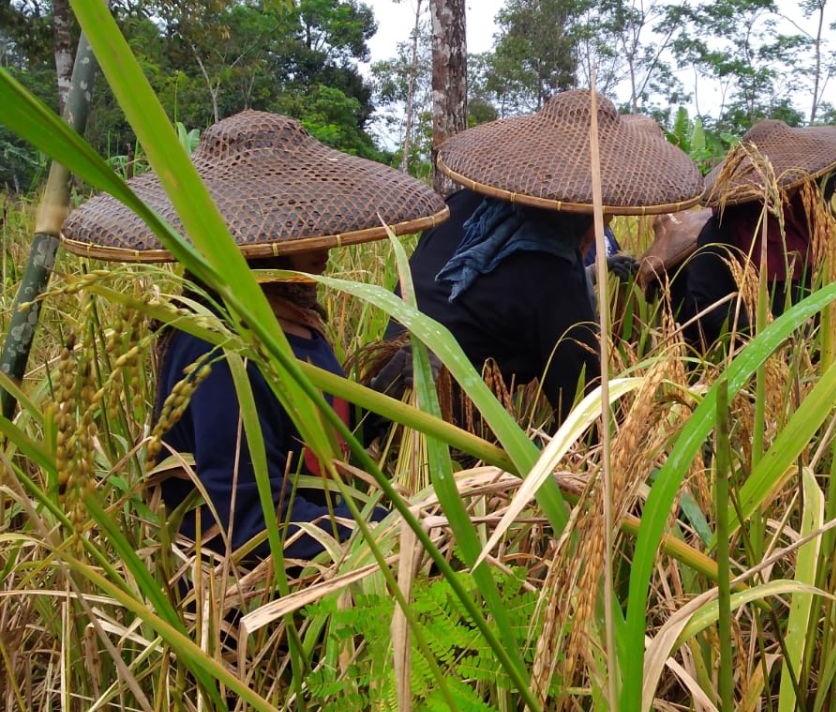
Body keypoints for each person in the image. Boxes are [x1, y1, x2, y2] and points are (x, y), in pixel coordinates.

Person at [60, 110, 448, 559]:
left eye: (312, 219)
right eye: (297, 228)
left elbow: (308, 449)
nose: (322, 241)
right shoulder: (221, 351)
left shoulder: (294, 316)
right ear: (255, 246)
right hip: (261, 595)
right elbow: (246, 520)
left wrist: (377, 402)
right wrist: (402, 528)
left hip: (329, 556)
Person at [376, 89, 702, 423]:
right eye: (606, 218)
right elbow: (584, 409)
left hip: (378, 391)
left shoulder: (464, 207)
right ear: (585, 217)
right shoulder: (552, 272)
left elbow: (488, 293)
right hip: (439, 425)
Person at [644, 121, 836, 349]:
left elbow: (830, 288)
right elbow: (704, 309)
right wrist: (771, 327)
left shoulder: (814, 225)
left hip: (809, 352)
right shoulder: (725, 230)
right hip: (745, 356)